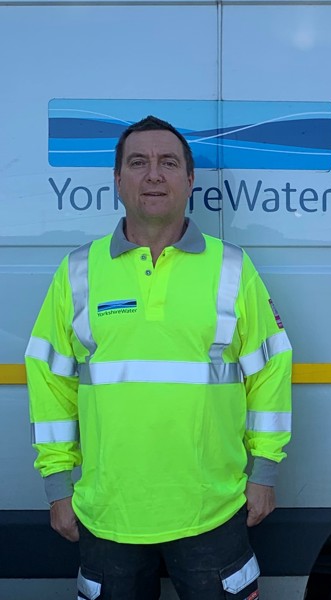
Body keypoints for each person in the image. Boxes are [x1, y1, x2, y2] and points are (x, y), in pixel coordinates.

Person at [25, 115, 292, 599]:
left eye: (168, 163)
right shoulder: (78, 272)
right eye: (138, 163)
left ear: (190, 180)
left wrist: (265, 472)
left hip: (214, 506)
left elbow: (270, 369)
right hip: (108, 512)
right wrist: (58, 486)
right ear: (118, 179)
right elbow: (50, 380)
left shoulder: (232, 267)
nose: (153, 175)